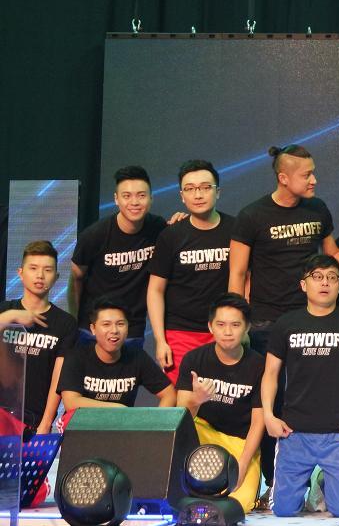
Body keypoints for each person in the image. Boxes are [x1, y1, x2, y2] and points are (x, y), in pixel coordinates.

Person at [228, 144, 339, 498]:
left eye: (313, 172)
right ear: (283, 177)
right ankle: (272, 482)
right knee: (271, 406)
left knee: (314, 402)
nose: (314, 179)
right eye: (306, 175)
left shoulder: (318, 209)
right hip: (267, 325)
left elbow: (334, 255)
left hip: (313, 321)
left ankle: (318, 483)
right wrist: (237, 322)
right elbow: (238, 274)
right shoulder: (252, 216)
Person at [260, 255, 339, 517]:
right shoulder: (286, 324)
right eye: (318, 277)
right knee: (284, 511)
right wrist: (268, 415)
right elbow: (270, 373)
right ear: (303, 284)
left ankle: (323, 482)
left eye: (332, 278)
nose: (325, 283)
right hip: (294, 433)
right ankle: (305, 483)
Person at [176, 293, 264, 513]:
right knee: (181, 497)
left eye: (235, 325)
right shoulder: (193, 359)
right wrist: (196, 400)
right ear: (210, 327)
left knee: (239, 504)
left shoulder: (258, 365)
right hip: (203, 437)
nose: (227, 332)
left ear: (247, 327)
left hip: (240, 443)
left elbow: (258, 422)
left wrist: (242, 465)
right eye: (221, 324)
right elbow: (180, 419)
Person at [148, 160, 234, 383]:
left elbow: (247, 279)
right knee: (182, 400)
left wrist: (241, 328)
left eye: (205, 187)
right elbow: (155, 290)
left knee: (222, 399)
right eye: (190, 189)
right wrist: (160, 340)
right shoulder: (171, 235)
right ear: (181, 196)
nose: (198, 195)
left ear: (218, 192)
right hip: (181, 334)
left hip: (224, 331)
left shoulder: (236, 230)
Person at [70, 165, 167, 344]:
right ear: (116, 199)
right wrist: (74, 320)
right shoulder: (94, 235)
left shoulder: (158, 227)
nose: (134, 202)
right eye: (126, 196)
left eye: (141, 195)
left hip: (132, 327)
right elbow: (76, 276)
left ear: (151, 198)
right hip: (93, 328)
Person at [0, 241, 78, 434]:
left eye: (47, 270)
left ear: (56, 277)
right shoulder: (5, 310)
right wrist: (12, 316)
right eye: (33, 268)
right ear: (20, 273)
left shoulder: (65, 323)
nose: (40, 275)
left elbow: (58, 379)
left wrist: (45, 423)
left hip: (33, 421)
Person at [57, 297, 175, 417]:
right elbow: (71, 402)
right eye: (106, 324)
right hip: (81, 424)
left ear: (128, 328)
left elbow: (169, 394)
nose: (114, 330)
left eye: (120, 324)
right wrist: (117, 408)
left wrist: (155, 423)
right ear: (93, 329)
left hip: (121, 425)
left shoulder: (137, 356)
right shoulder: (77, 356)